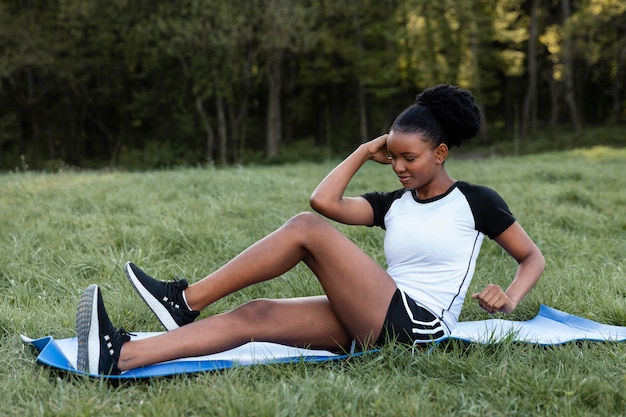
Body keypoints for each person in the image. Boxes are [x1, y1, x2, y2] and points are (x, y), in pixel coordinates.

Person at [76, 84, 545, 375]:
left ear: (440, 154)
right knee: (256, 315)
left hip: (423, 329)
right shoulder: (393, 206)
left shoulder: (476, 201)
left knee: (306, 230)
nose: (398, 166)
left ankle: (184, 302)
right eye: (393, 156)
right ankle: (119, 356)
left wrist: (512, 295)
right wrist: (364, 150)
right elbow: (324, 201)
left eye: (410, 158)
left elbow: (532, 257)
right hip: (381, 316)